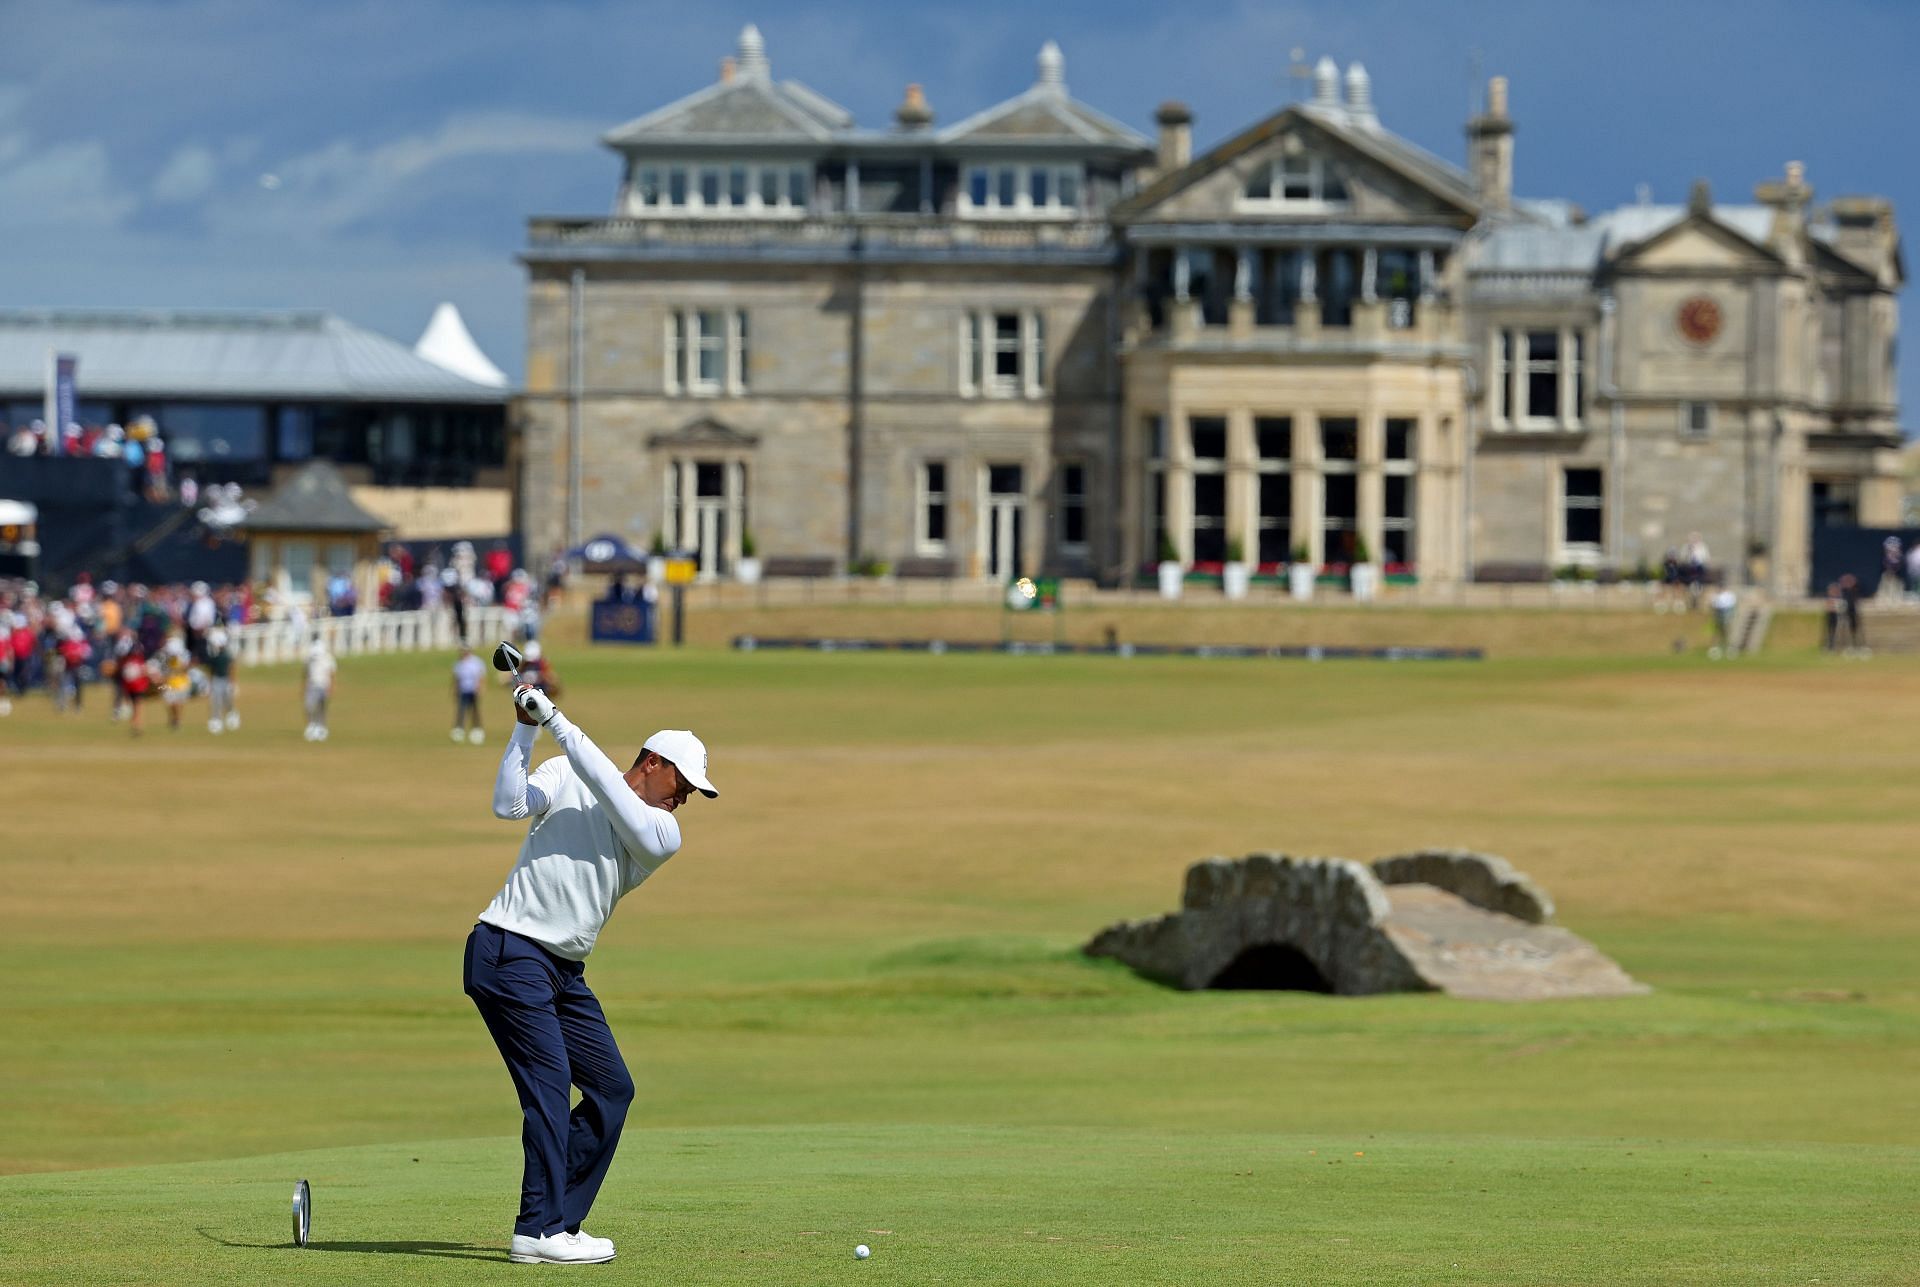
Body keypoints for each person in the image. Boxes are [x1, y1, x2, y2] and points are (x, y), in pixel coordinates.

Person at [466, 682, 718, 1265]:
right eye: (682, 784)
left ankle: (561, 1221)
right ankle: (537, 1230)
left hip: (562, 970)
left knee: (611, 1089)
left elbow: (608, 785)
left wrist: (553, 715)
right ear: (653, 764)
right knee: (551, 1092)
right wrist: (526, 726)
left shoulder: (660, 833)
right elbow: (509, 806)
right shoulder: (566, 774)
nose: (684, 799)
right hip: (509, 951)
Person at [303, 637, 336, 742]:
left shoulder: (328, 658)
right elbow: (306, 673)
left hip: (323, 686)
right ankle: (312, 726)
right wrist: (305, 686)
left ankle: (322, 728)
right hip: (312, 686)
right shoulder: (309, 658)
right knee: (309, 707)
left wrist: (330, 687)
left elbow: (331, 673)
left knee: (322, 708)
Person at [206, 628, 239, 733]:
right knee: (216, 701)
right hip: (217, 680)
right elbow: (211, 671)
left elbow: (231, 669)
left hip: (225, 680)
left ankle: (232, 715)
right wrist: (210, 683)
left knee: (227, 700)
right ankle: (216, 720)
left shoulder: (226, 656)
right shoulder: (214, 657)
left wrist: (232, 683)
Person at [452, 645, 486, 745]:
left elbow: (480, 676)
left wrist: (480, 688)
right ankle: (459, 730)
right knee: (461, 711)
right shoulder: (459, 663)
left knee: (475, 711)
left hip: (473, 691)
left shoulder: (476, 662)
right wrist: (455, 689)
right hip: (463, 690)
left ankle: (477, 730)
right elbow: (456, 678)